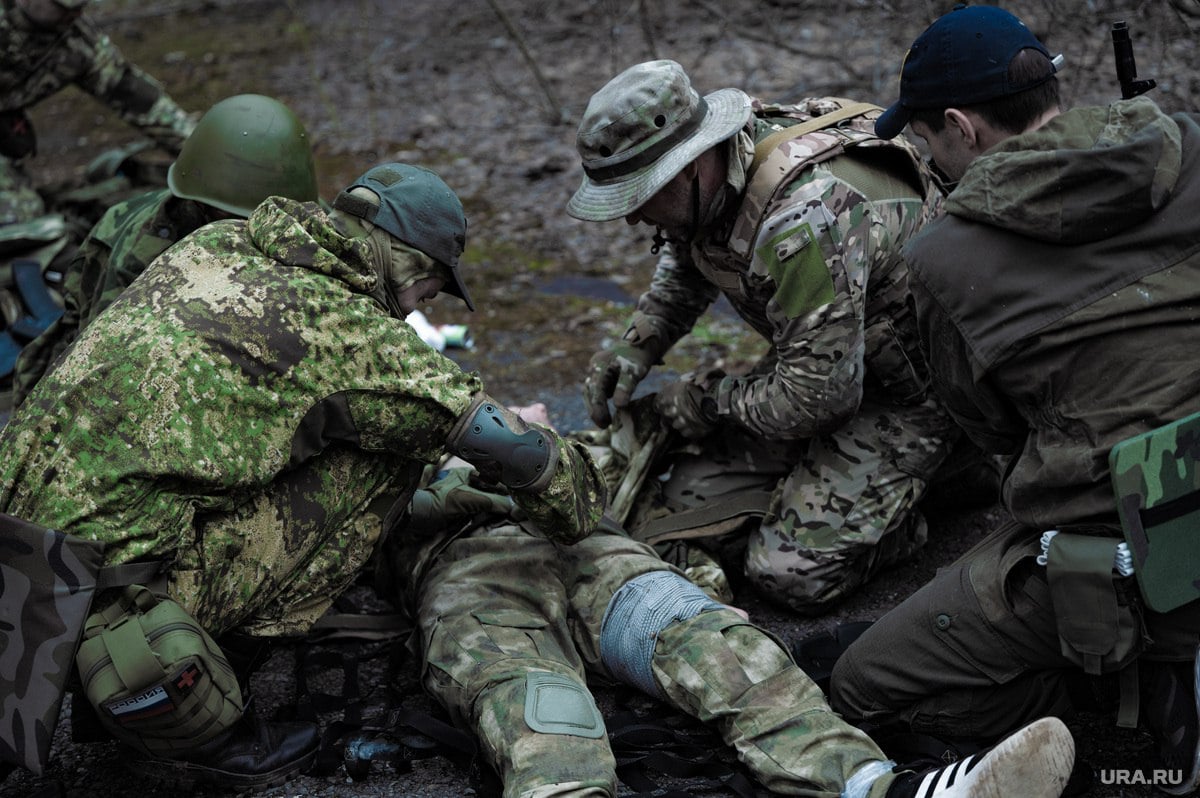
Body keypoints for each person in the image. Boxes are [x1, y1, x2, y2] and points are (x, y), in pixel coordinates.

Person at [0, 161, 606, 790]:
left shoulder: (216, 243)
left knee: (333, 423)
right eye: (423, 299)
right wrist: (580, 497)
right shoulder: (348, 329)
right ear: (408, 266)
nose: (411, 317)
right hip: (108, 606)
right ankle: (197, 708)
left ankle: (144, 660)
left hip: (23, 568)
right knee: (391, 448)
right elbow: (499, 441)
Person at [828, 5, 1200, 796]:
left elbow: (994, 432)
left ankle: (1100, 710)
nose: (929, 157)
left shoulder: (946, 257)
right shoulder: (1187, 144)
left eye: (926, 139)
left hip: (1125, 548)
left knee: (863, 683)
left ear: (960, 126)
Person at [396, 402, 1077, 798]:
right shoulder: (376, 454)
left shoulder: (552, 438)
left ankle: (887, 790)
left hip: (591, 549)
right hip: (469, 570)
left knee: (720, 648)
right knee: (540, 710)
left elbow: (621, 488)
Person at [565, 59, 964, 614]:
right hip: (840, 357)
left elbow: (818, 399)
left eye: (638, 197)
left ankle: (948, 484)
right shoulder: (726, 168)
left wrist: (707, 402)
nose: (633, 219)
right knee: (687, 490)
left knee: (788, 572)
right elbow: (690, 256)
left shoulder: (801, 222)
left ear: (689, 166)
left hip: (921, 392)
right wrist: (638, 342)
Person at [9, 92, 320, 407]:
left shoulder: (313, 241)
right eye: (228, 217)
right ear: (196, 203)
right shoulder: (130, 245)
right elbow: (103, 361)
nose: (237, 231)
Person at [0, 0, 196, 223]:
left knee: (25, 218)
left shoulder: (76, 43)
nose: (73, 14)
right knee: (14, 224)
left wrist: (206, 152)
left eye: (78, 7)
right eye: (62, 7)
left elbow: (136, 96)